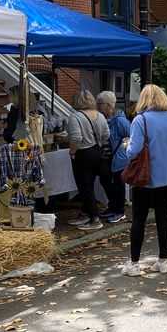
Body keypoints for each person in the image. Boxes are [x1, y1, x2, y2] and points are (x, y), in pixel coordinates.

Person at [122, 84, 167, 275]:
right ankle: (164, 261)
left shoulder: (141, 120)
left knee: (139, 218)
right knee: (162, 215)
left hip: (147, 176)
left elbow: (134, 151)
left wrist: (126, 146)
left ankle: (133, 264)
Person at [66, 90, 110, 231]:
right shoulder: (100, 115)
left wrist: (72, 151)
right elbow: (106, 134)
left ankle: (94, 218)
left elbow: (76, 138)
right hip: (97, 152)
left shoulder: (75, 117)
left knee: (85, 187)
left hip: (83, 154)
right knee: (90, 185)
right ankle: (86, 213)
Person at [96, 90, 131, 223]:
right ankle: (112, 207)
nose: (98, 106)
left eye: (100, 103)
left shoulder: (120, 121)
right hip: (106, 157)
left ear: (109, 105)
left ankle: (119, 211)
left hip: (118, 158)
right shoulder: (104, 119)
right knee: (105, 180)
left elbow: (131, 136)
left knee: (118, 183)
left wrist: (122, 152)